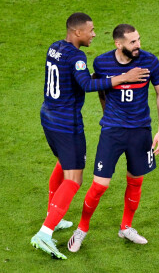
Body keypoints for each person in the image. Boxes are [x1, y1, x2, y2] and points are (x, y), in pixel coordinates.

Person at [31, 14, 150, 259]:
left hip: (48, 116)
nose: (94, 34)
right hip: (66, 123)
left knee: (63, 164)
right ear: (77, 33)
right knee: (74, 179)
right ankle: (44, 233)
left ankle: (53, 215)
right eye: (91, 31)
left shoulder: (54, 48)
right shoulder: (77, 57)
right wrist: (123, 78)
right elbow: (87, 85)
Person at [67, 24, 159, 252]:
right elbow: (100, 89)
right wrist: (107, 113)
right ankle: (81, 229)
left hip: (141, 132)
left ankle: (126, 227)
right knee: (100, 185)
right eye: (132, 42)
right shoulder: (102, 63)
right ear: (118, 44)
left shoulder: (150, 61)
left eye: (138, 39)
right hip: (112, 132)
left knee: (136, 181)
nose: (138, 45)